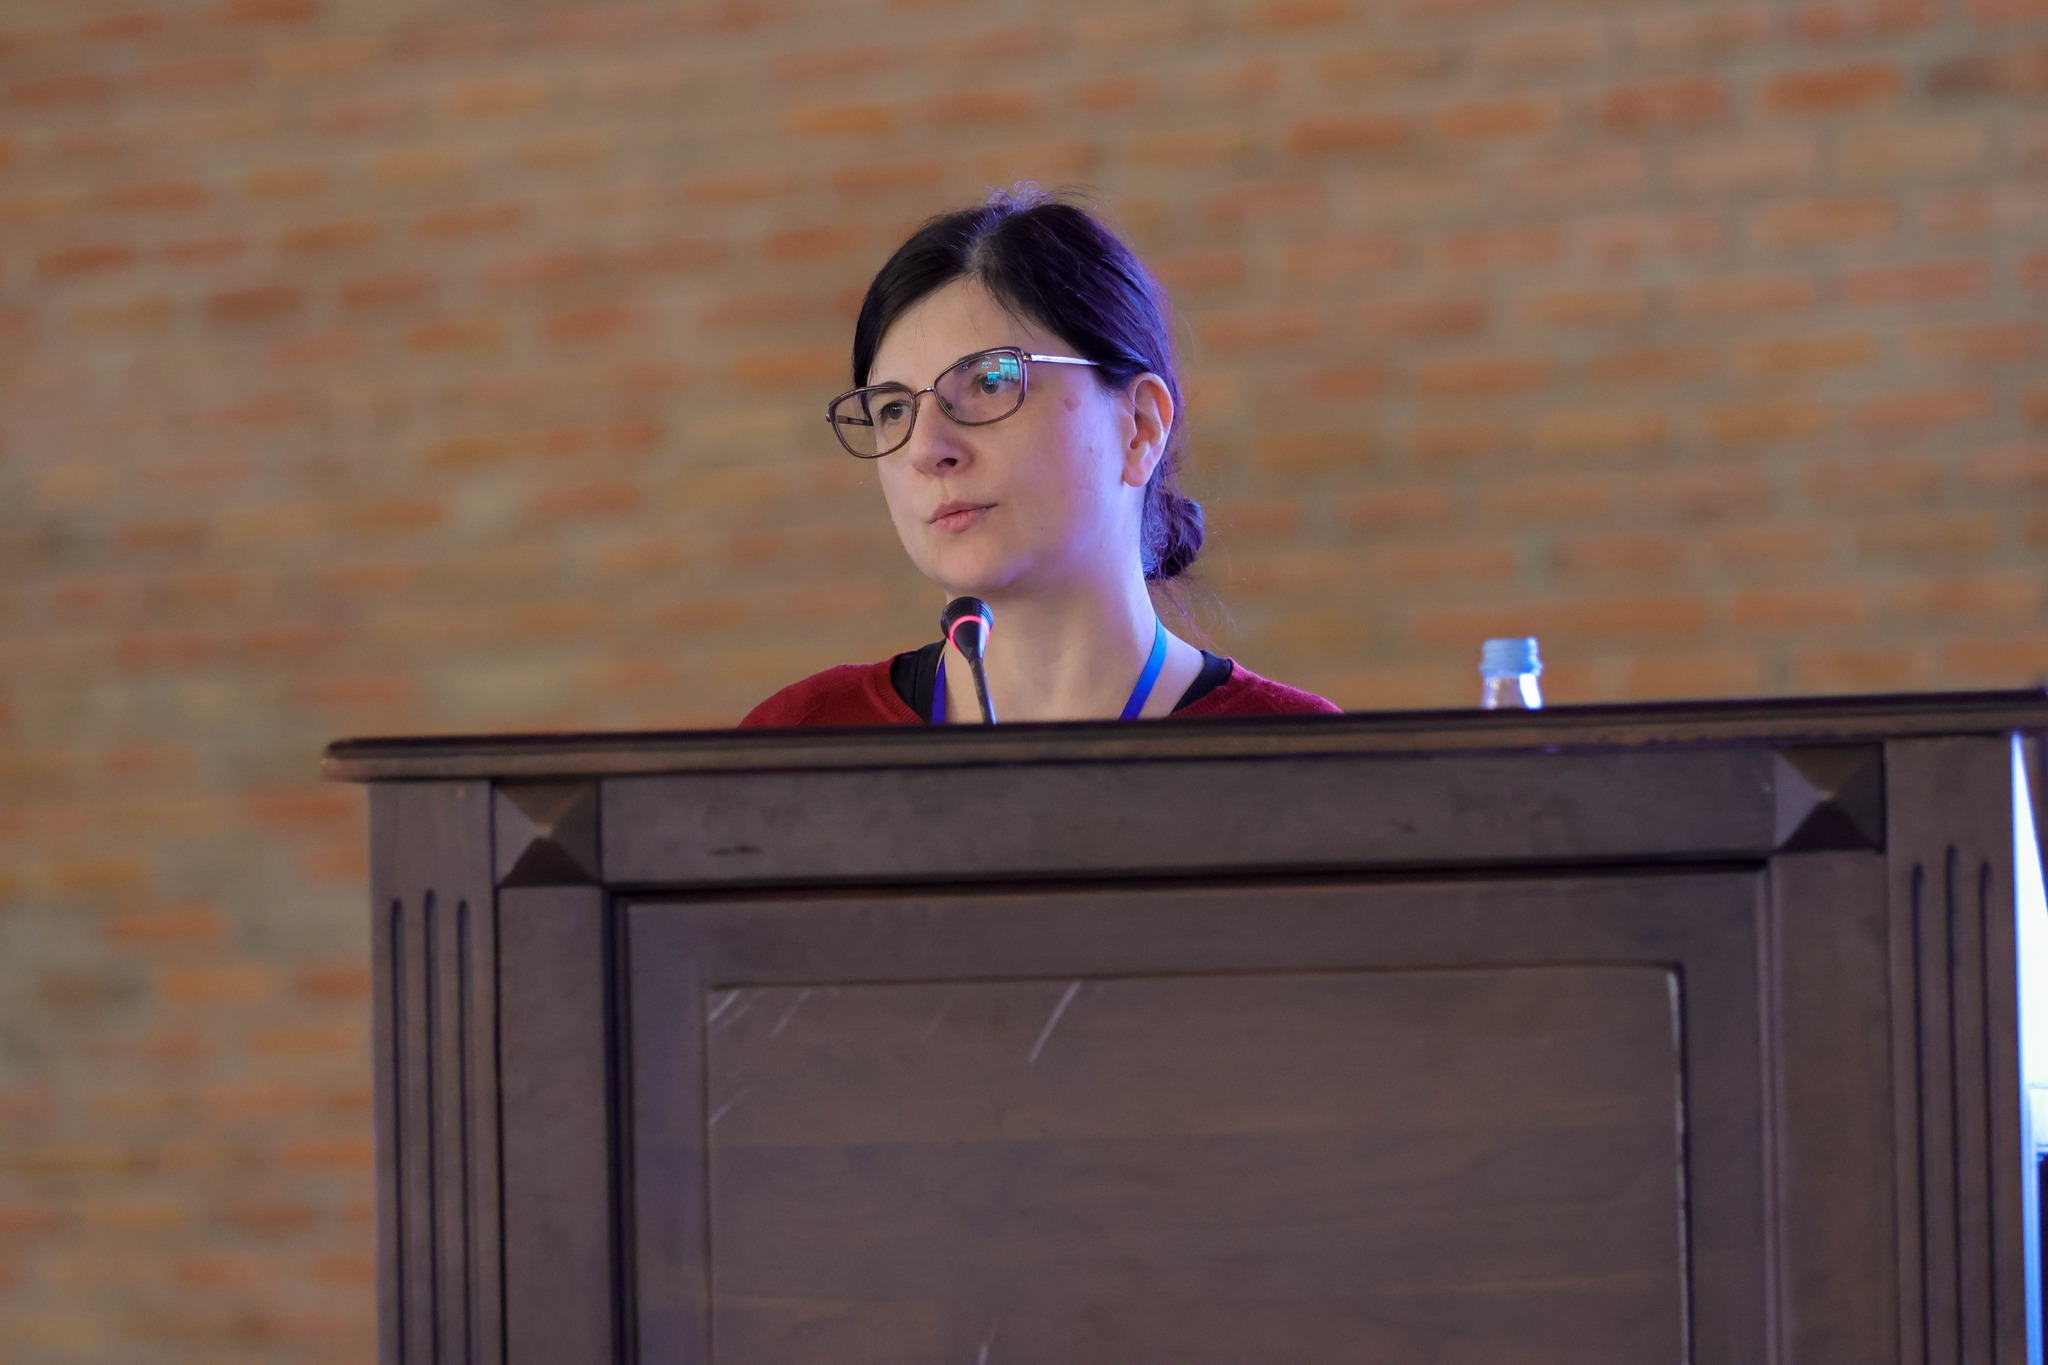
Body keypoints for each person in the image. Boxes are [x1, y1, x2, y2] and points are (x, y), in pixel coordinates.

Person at [740, 187, 1340, 727]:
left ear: (1140, 427)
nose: (925, 449)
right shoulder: (801, 739)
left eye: (990, 382)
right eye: (894, 409)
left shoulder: (1302, 758)